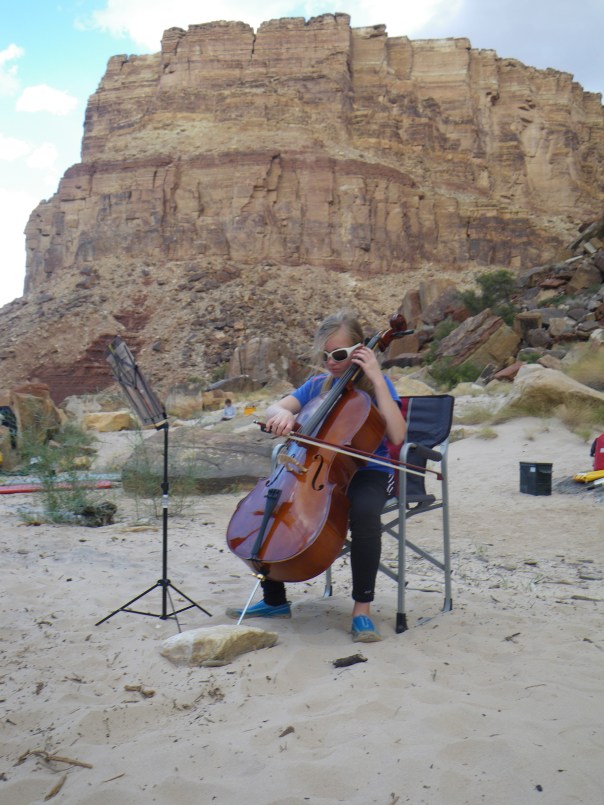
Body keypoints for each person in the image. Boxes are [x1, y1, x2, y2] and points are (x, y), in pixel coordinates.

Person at [226, 309, 407, 643]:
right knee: (271, 505)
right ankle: (275, 601)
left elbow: (397, 436)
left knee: (365, 512)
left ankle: (361, 612)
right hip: (321, 473)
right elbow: (276, 407)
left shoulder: (378, 386)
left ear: (359, 351)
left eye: (338, 355)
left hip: (371, 470)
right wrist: (281, 416)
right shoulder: (317, 386)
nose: (331, 363)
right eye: (324, 356)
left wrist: (379, 379)